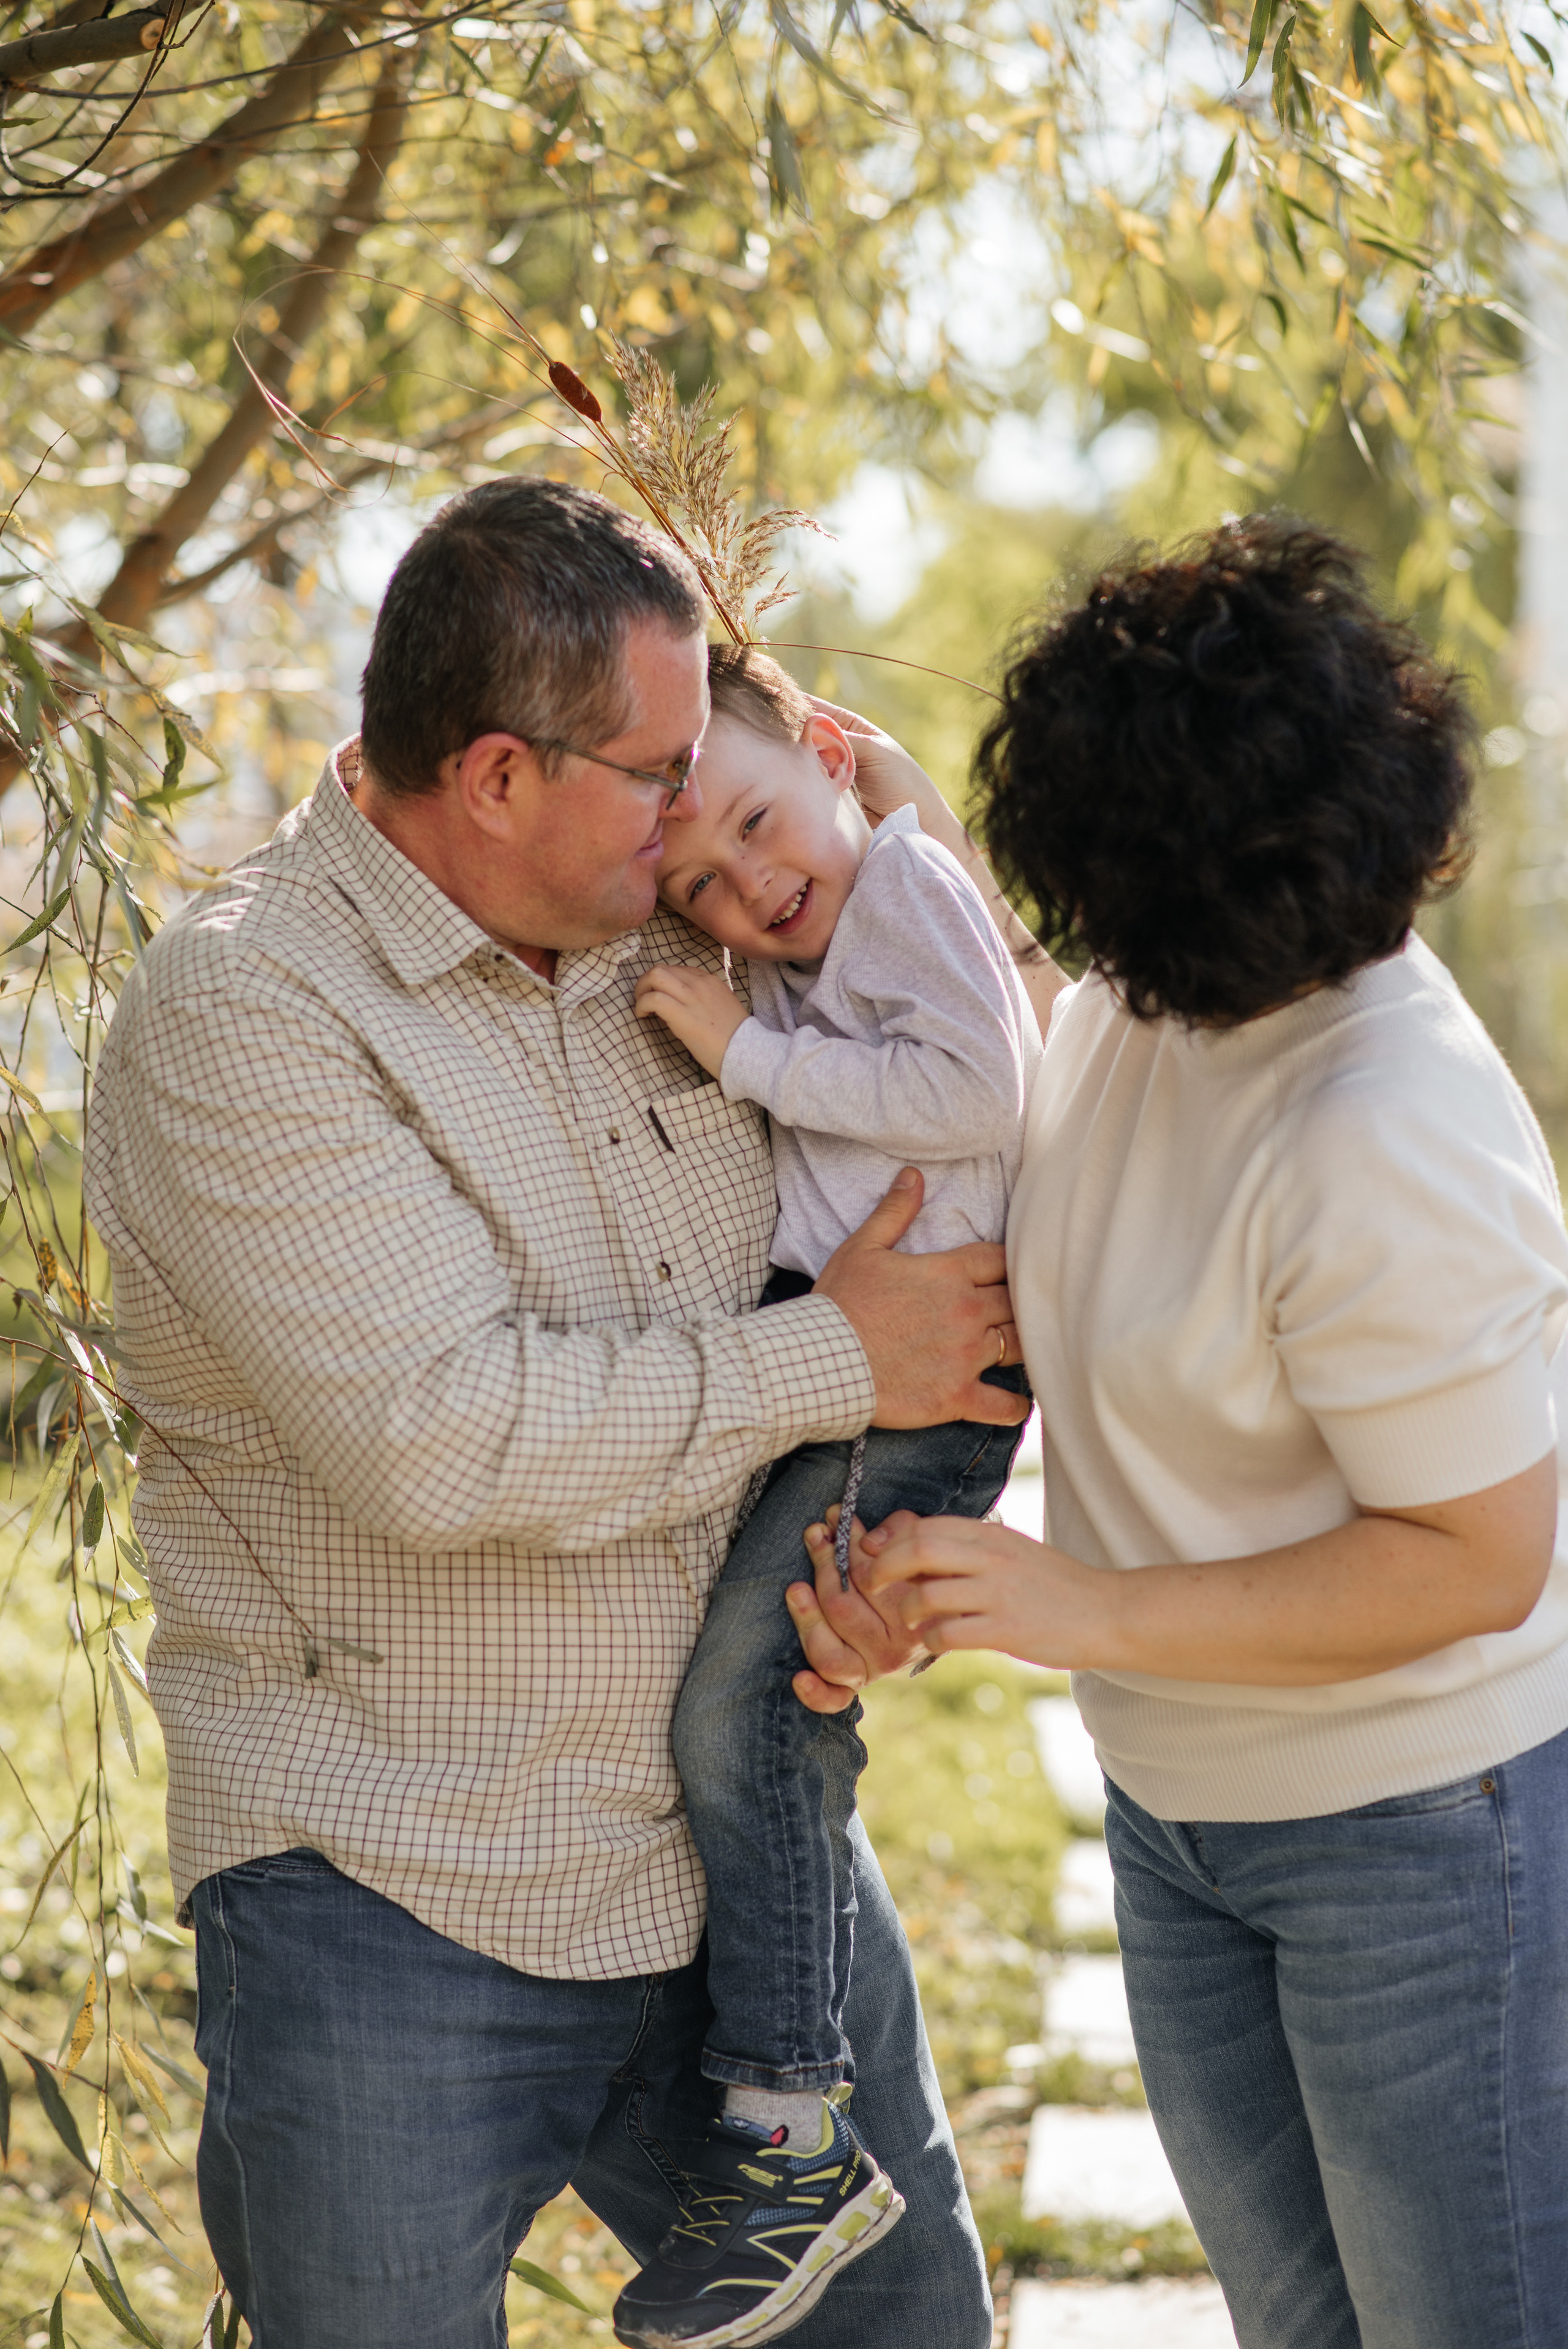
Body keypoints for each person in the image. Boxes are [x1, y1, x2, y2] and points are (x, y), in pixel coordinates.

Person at [81, 476, 1027, 2349]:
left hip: (735, 1877)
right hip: (394, 1893)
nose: (697, 815)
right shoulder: (246, 1010)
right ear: (499, 776)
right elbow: (446, 1433)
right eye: (658, 768)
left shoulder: (669, 937)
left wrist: (857, 1565)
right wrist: (851, 1358)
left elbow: (986, 1058)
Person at [852, 516, 1568, 2349]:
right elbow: (1017, 1011)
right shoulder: (1141, 1003)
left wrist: (1072, 1606)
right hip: (1183, 1807)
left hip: (1416, 1832)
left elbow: (1481, 1558)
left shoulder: (1383, 1125)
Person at [601, 646, 1038, 2348]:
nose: (751, 885)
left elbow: (978, 1090)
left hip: (925, 1404)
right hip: (850, 1374)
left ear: (838, 760)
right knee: (751, 1703)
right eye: (701, 878)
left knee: (747, 1712)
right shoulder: (810, 940)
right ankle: (786, 2125)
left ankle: (789, 2132)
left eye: (765, 823)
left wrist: (749, 1057)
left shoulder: (906, 884)